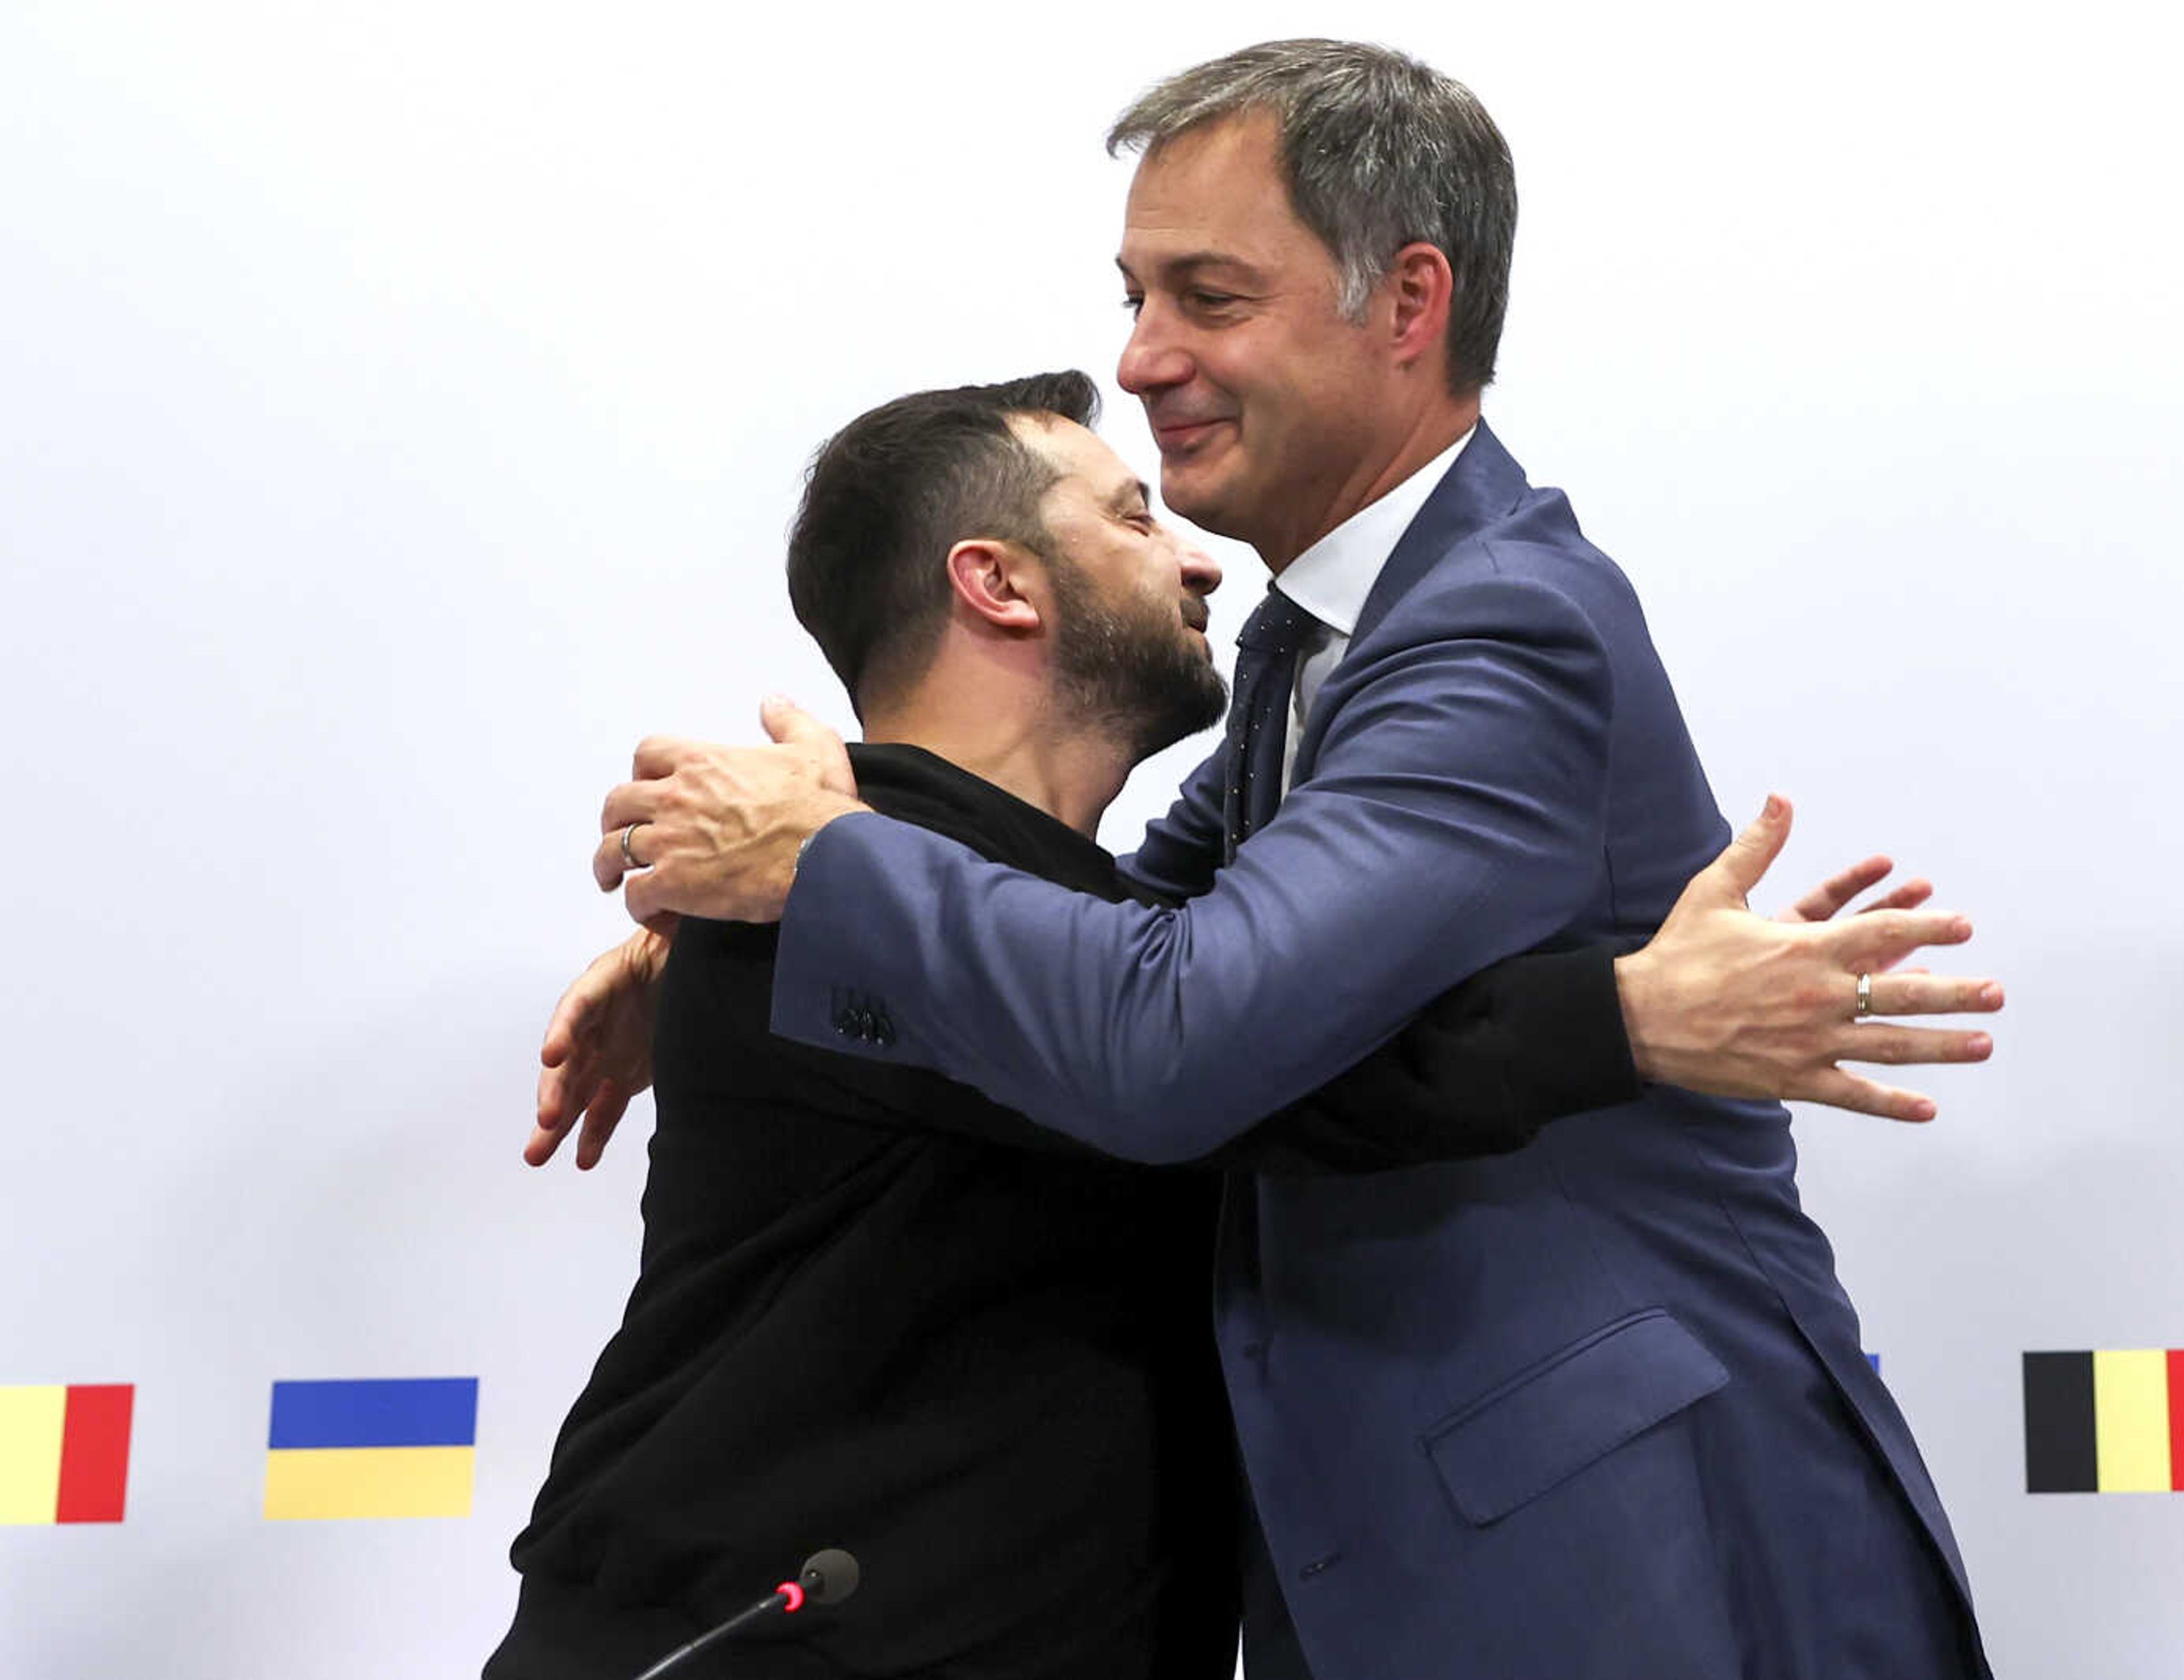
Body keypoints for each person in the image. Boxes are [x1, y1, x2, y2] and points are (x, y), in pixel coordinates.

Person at [572, 42, 2005, 1680]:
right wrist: (742, 910)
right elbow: (1119, 926)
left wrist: (823, 861)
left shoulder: (1499, 628)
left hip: (1613, 1556)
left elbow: (1180, 1038)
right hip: (1403, 1561)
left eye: (1207, 297)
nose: (1145, 355)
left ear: (1407, 303)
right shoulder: (1306, 643)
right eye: (1135, 295)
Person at [489, 371, 1714, 1679]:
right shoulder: (832, 895)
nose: (1199, 566)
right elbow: (1274, 1064)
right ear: (1000, 585)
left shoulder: (1002, 903)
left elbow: (1183, 955)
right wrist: (1631, 1013)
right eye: (1134, 518)